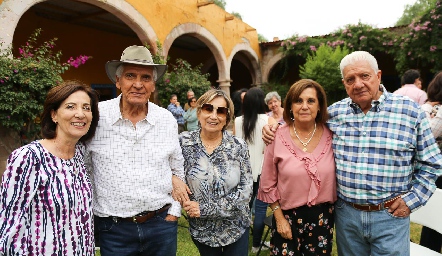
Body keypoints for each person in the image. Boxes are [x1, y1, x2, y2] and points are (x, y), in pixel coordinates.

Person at [262, 51, 442, 256]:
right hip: (347, 218)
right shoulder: (335, 114)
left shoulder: (411, 112)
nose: (358, 84)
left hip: (390, 216)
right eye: (350, 79)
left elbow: (431, 164)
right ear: (344, 83)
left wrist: (411, 201)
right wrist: (274, 126)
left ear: (379, 76)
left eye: (364, 76)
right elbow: (304, 119)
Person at [86, 45, 185, 256]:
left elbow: (178, 168)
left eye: (146, 78)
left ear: (153, 85)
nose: (138, 84)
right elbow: (84, 170)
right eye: (130, 76)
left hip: (161, 224)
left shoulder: (166, 119)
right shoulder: (96, 116)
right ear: (118, 81)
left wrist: (174, 213)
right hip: (113, 228)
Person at [0, 80, 99, 255]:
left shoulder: (81, 155)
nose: (80, 114)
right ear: (54, 115)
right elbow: (9, 226)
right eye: (70, 107)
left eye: (86, 108)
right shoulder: (29, 157)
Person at [258, 79, 337, 255]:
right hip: (287, 218)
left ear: (319, 106)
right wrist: (279, 219)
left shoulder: (333, 134)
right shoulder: (276, 135)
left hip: (322, 220)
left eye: (311, 101)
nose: (304, 106)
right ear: (290, 106)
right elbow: (268, 183)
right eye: (298, 101)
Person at [178, 89, 253, 256]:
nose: (214, 115)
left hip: (236, 229)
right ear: (198, 113)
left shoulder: (238, 146)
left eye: (221, 111)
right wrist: (174, 180)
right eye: (208, 109)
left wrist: (205, 209)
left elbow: (246, 193)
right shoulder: (183, 143)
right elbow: (167, 170)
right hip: (201, 232)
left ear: (227, 117)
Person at [233, 87, 276, 253]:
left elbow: (236, 149)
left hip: (242, 173)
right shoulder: (269, 121)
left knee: (243, 209)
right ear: (262, 102)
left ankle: (239, 243)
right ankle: (256, 245)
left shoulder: (238, 121)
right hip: (263, 172)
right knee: (260, 211)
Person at [420, 71, 442, 253]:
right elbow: (428, 135)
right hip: (436, 171)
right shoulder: (431, 109)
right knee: (434, 218)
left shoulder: (428, 107)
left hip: (432, 170)